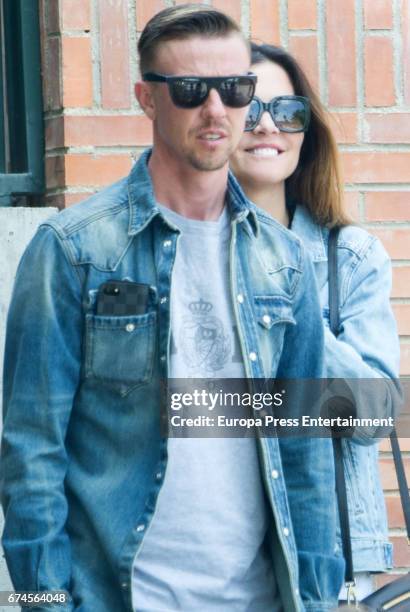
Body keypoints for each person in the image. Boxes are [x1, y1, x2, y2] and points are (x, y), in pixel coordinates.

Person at [0, 6, 344, 611]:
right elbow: (30, 453)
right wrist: (42, 603)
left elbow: (305, 447)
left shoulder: (284, 262)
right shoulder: (75, 250)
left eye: (235, 89)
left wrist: (318, 597)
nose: (217, 111)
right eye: (190, 90)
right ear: (146, 98)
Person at [230, 42, 401, 602]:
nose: (267, 126)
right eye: (248, 107)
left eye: (288, 111)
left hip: (333, 558)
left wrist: (284, 292)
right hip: (212, 553)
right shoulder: (173, 253)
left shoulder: (349, 256)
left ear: (306, 133)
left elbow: (373, 412)